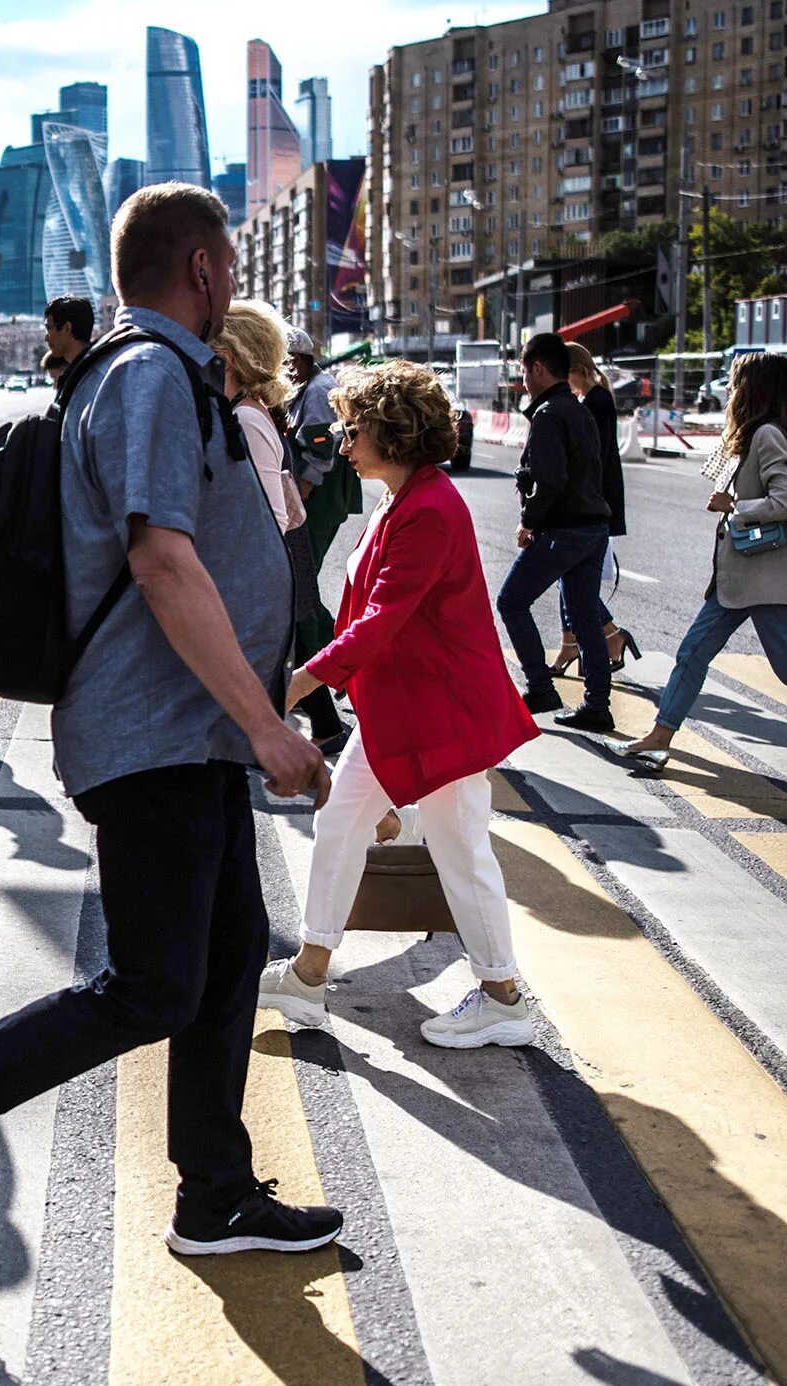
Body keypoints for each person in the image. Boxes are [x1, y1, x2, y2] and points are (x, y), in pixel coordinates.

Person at [0, 183, 336, 1264]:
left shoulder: (169, 377)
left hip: (192, 733)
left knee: (226, 958)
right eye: (230, 270)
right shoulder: (147, 375)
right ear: (205, 271)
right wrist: (265, 723)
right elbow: (161, 559)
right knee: (156, 982)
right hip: (155, 733)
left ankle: (214, 1193)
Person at [261, 360, 543, 1047]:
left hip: (441, 714)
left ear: (391, 433)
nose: (343, 443)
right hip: (409, 708)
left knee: (460, 847)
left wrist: (298, 683)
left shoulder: (430, 508)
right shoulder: (406, 498)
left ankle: (504, 994)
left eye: (353, 430)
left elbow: (378, 620)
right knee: (345, 825)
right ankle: (309, 971)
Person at [613, 356, 787, 785]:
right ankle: (659, 737)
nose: (729, 390)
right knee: (693, 653)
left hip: (760, 575)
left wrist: (736, 507)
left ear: (753, 388)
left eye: (735, 382)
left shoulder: (765, 436)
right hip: (743, 576)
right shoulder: (759, 434)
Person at [496, 330, 613, 730]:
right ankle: (598, 705)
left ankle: (540, 687)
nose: (523, 380)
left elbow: (549, 479)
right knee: (585, 616)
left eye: (524, 371)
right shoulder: (580, 409)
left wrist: (529, 522)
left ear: (538, 368)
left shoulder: (548, 416)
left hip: (562, 529)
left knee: (511, 602)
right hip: (594, 527)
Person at [212, 303, 313, 642]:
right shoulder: (240, 413)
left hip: (245, 604)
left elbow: (273, 521)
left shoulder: (247, 419)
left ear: (225, 359)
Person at [281, 321, 358, 752]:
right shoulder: (306, 387)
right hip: (307, 504)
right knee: (302, 594)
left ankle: (337, 665)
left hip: (316, 504)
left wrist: (300, 501)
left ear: (300, 360)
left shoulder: (317, 389)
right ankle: (340, 660)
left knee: (301, 594)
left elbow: (319, 451)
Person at [551, 342, 641, 679]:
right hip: (594, 503)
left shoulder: (596, 402)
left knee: (574, 581)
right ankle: (571, 643)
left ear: (575, 369)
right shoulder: (594, 399)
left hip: (593, 505)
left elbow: (593, 459)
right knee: (568, 577)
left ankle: (611, 636)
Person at [43, 295, 95, 368]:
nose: (46, 338)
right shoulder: (92, 367)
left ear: (67, 328)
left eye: (49, 328)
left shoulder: (91, 373)